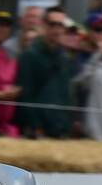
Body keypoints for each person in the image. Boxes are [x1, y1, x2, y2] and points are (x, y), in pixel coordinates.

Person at [15, 7, 77, 139]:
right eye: (52, 24)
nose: (57, 29)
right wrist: (36, 127)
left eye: (60, 25)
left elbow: (68, 94)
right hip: (38, 132)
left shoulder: (65, 58)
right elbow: (26, 95)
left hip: (62, 129)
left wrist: (68, 123)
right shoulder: (30, 56)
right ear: (43, 25)